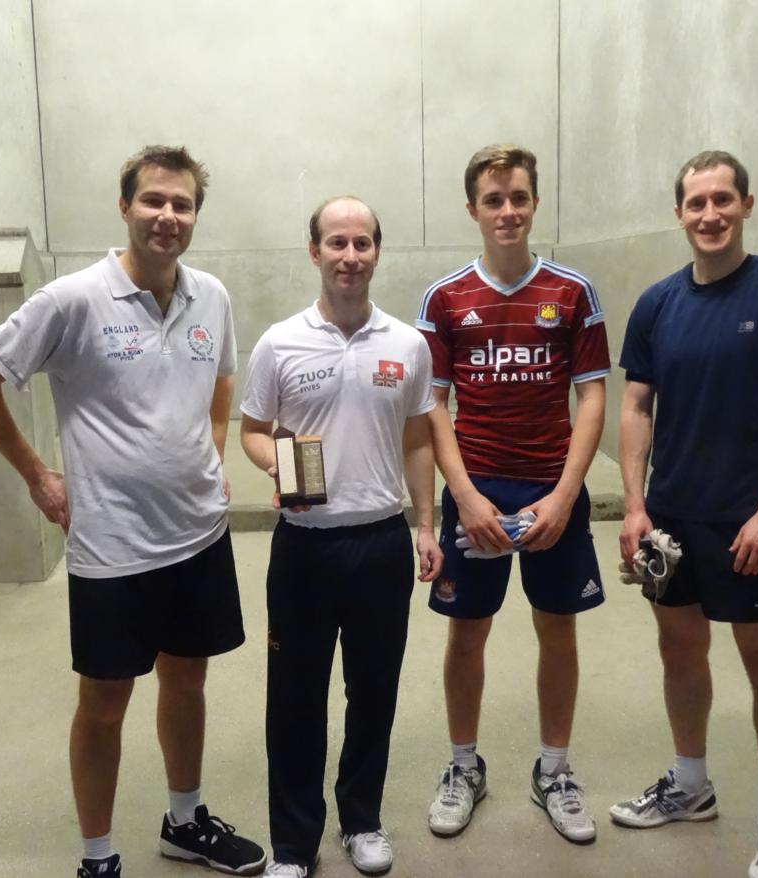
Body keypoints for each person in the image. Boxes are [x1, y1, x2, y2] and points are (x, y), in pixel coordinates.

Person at [0, 145, 265, 878]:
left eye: (181, 204)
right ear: (124, 206)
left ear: (194, 216)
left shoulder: (210, 296)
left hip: (198, 535)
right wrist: (36, 474)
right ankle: (98, 858)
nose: (167, 216)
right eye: (153, 200)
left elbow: (220, 377)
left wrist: (210, 452)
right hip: (112, 546)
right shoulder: (73, 298)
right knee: (104, 702)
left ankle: (185, 822)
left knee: (187, 680)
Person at [610, 150, 758, 878]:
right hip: (672, 518)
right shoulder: (657, 303)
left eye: (721, 200)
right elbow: (637, 405)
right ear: (678, 213)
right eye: (695, 203)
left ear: (745, 204)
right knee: (679, 652)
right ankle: (690, 784)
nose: (708, 214)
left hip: (748, 521)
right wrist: (636, 505)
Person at [240, 196, 443, 877]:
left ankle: (361, 821)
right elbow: (249, 428)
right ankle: (293, 847)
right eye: (336, 243)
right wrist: (279, 462)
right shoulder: (279, 341)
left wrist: (425, 523)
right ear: (314, 252)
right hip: (303, 545)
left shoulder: (406, 345)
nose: (349, 256)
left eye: (361, 243)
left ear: (377, 251)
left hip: (380, 544)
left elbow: (418, 440)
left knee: (373, 692)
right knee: (294, 699)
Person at [416, 144, 609, 843]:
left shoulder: (572, 293)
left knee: (556, 628)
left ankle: (553, 769)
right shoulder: (444, 298)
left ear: (534, 203)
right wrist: (463, 497)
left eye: (518, 197)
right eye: (493, 200)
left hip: (551, 491)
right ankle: (463, 766)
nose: (507, 211)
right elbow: (432, 406)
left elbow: (592, 402)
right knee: (468, 632)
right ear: (472, 209)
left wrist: (563, 496)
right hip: (477, 492)